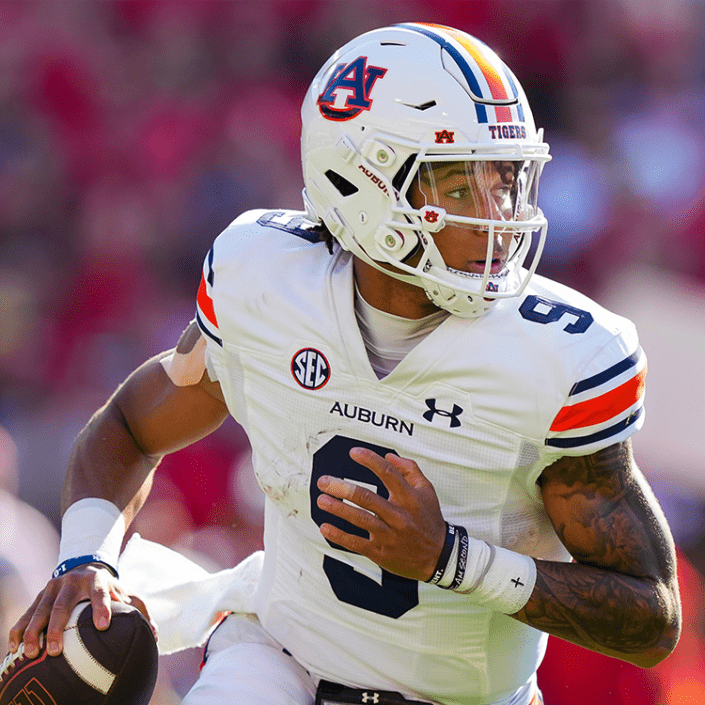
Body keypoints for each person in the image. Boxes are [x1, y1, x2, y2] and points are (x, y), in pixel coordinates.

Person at [8, 22, 681, 705]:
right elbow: (128, 425)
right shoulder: (265, 279)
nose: (497, 216)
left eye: (504, 182)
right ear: (360, 183)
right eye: (457, 189)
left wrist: (453, 560)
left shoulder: (557, 354)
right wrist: (87, 555)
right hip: (275, 658)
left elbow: (651, 614)